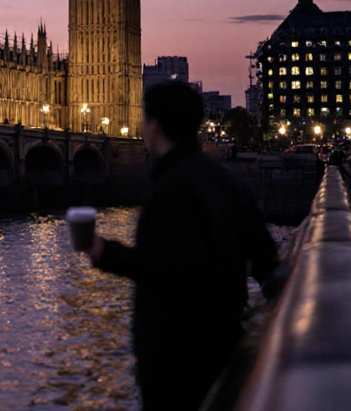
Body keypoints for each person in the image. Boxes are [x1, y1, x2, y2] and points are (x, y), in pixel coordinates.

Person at [82, 81, 278, 411]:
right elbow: (266, 260)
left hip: (177, 363)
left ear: (154, 125)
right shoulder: (231, 182)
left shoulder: (170, 189)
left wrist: (103, 252)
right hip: (226, 347)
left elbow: (171, 269)